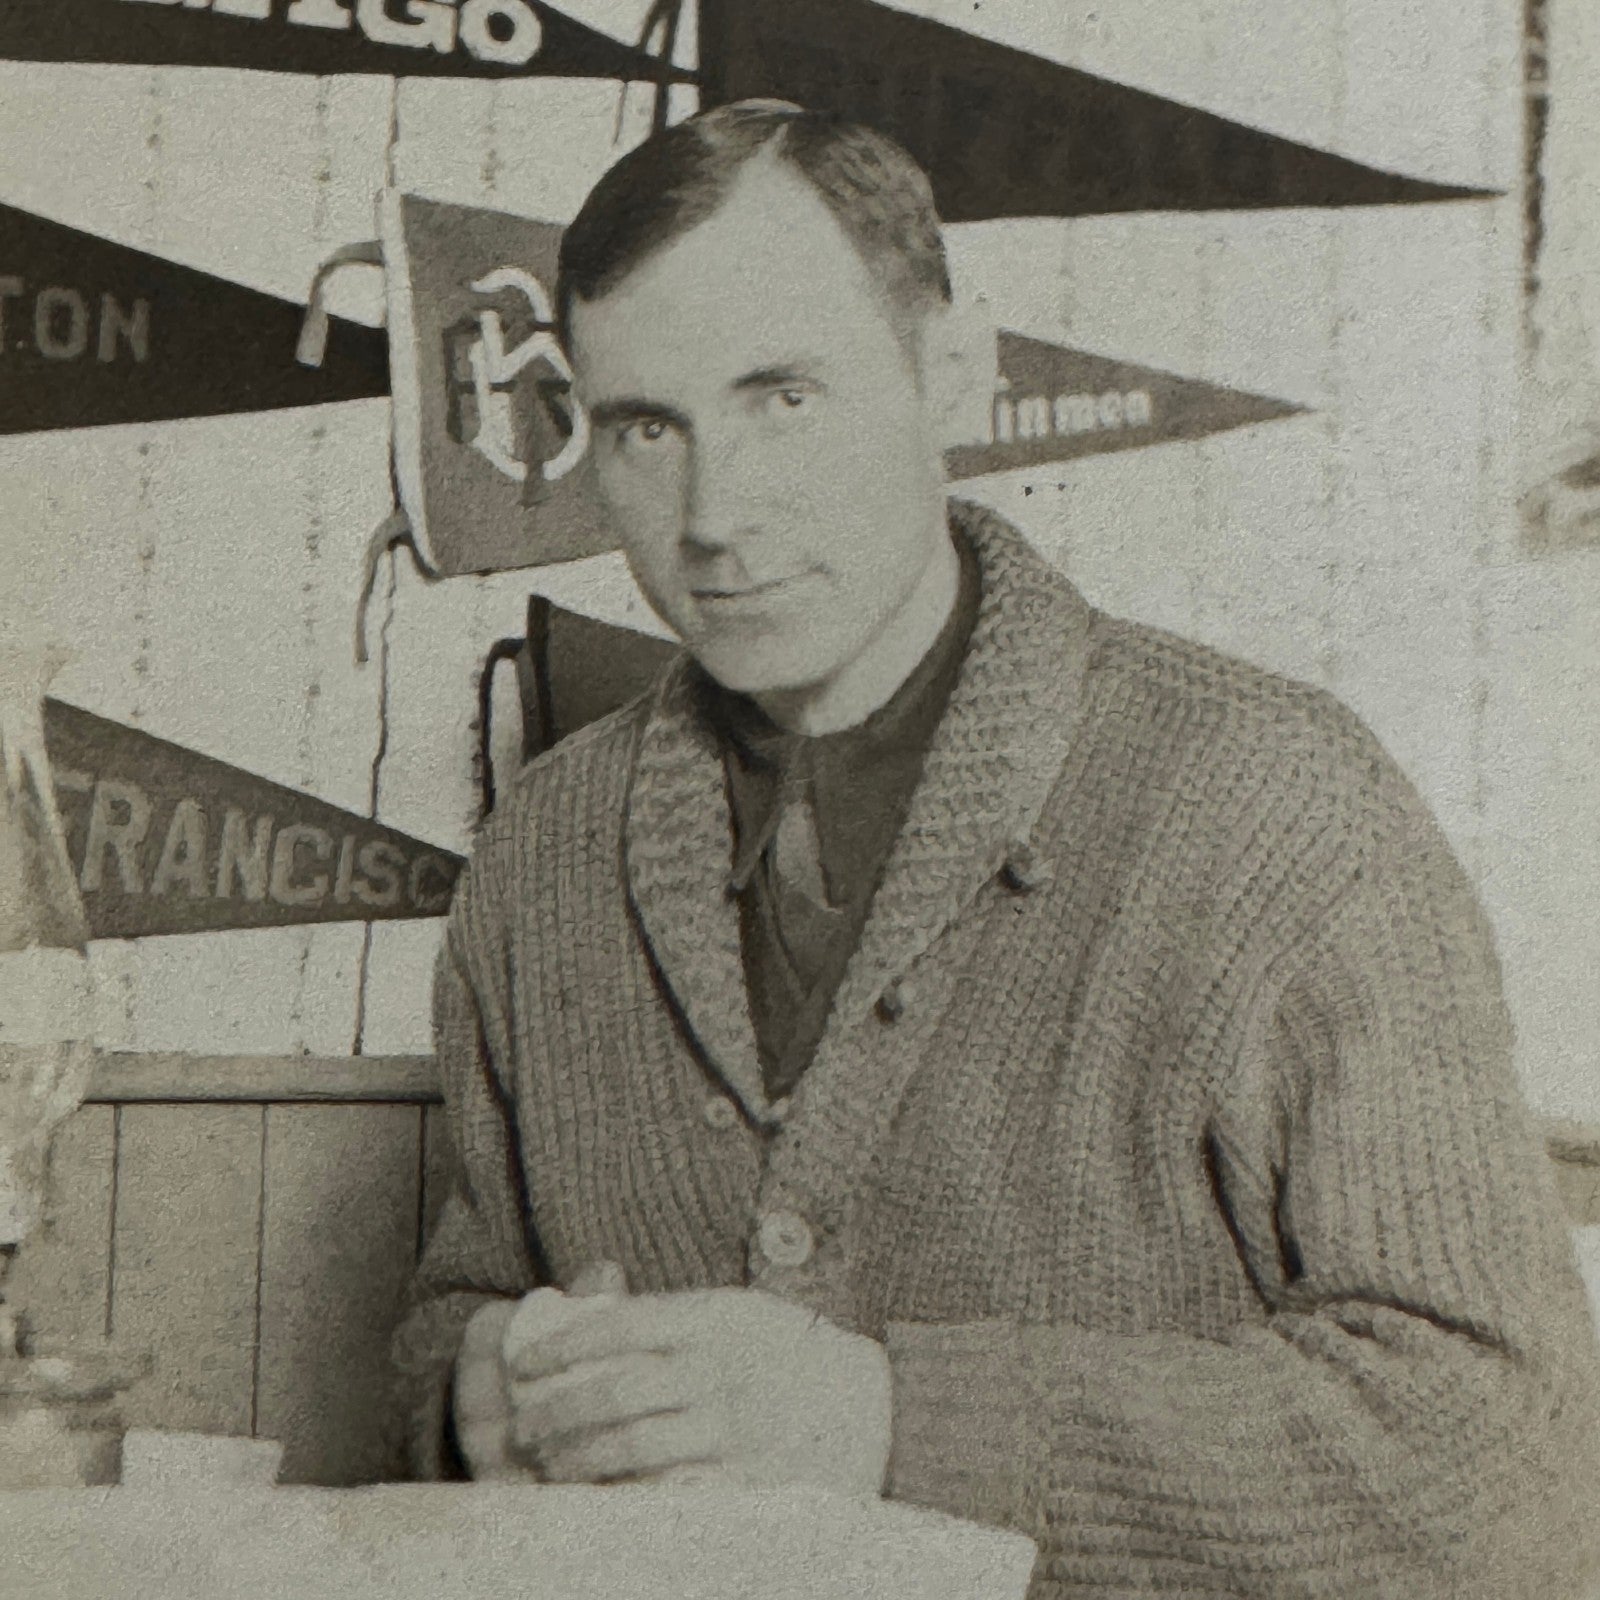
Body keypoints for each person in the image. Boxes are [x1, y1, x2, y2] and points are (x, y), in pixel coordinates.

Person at [391, 100, 1600, 1598]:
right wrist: (470, 1401)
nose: (714, 517)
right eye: (648, 427)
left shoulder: (1282, 808)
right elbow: (462, 1311)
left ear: (950, 373)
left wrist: (888, 1420)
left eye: (784, 398)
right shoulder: (543, 862)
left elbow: (1508, 1469)